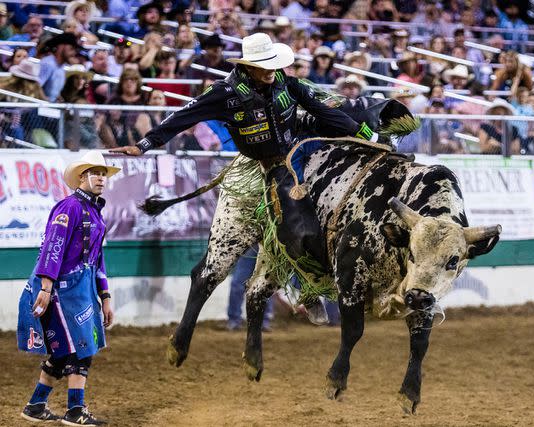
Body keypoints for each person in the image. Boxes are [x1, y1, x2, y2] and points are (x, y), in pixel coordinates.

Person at [110, 32, 381, 277]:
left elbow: (323, 111)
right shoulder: (223, 93)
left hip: (298, 147)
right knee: (294, 222)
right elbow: (182, 117)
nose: (271, 70)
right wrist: (144, 145)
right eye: (264, 65)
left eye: (273, 63)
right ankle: (306, 278)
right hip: (267, 163)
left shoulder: (287, 83)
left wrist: (361, 132)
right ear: (248, 66)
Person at [17, 150, 119, 425]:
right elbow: (53, 246)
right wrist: (46, 287)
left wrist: (105, 296)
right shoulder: (70, 207)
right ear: (81, 178)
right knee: (80, 350)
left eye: (103, 173)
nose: (101, 178)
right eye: (95, 173)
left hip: (81, 290)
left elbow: (98, 259)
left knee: (65, 352)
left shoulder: (94, 212)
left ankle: (36, 406)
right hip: (62, 290)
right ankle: (76, 411)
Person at [39, 33, 80, 102]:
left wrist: (59, 98)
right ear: (61, 47)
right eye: (71, 48)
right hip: (40, 109)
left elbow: (52, 91)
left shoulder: (62, 67)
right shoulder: (48, 63)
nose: (74, 53)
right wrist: (46, 101)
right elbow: (36, 86)